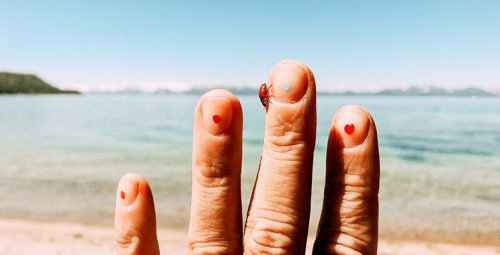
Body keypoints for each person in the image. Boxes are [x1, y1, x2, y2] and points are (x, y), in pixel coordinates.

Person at [114, 60, 380, 254]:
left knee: (271, 240)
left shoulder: (266, 93)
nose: (265, 95)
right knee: (271, 240)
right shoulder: (268, 93)